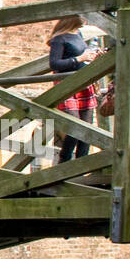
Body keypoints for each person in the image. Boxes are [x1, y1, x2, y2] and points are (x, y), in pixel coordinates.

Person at [48, 15, 102, 164]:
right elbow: (54, 64)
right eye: (83, 16)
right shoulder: (59, 39)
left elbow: (82, 56)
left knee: (87, 128)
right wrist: (79, 59)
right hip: (67, 84)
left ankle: (81, 165)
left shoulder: (78, 34)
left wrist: (92, 57)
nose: (86, 19)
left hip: (83, 83)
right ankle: (65, 163)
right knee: (75, 128)